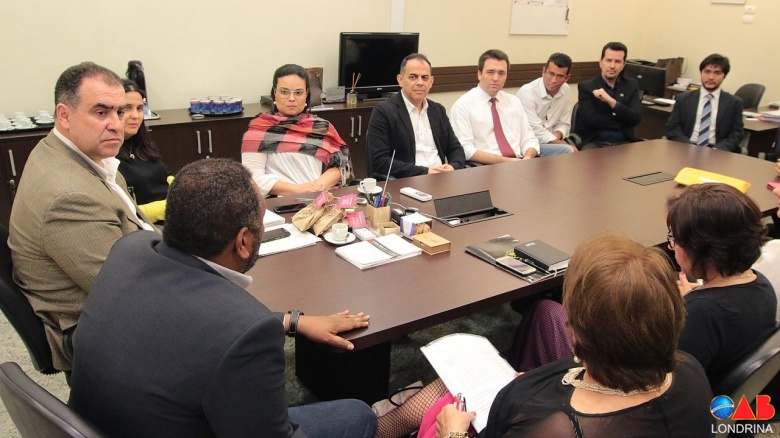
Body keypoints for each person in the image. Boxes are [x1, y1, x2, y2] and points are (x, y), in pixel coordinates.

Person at [68, 159, 377, 438]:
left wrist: (290, 321)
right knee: (358, 414)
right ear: (243, 241)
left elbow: (193, 321)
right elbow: (230, 330)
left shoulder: (129, 249)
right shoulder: (245, 332)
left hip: (100, 423)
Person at [435, 233, 714, 438]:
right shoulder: (690, 369)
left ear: (576, 329)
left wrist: (452, 433)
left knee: (437, 404)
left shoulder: (553, 426)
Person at [8, 62, 155, 371]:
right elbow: (131, 293)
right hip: (98, 329)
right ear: (64, 115)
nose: (116, 124)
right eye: (101, 112)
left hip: (122, 290)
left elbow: (139, 227)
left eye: (120, 111)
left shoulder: (71, 152)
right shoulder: (69, 195)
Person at [668, 183, 776, 382]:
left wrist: (682, 309)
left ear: (699, 249)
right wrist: (696, 296)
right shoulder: (762, 284)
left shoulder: (699, 316)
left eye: (673, 238)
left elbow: (673, 382)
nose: (671, 246)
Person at [242, 64, 352, 197]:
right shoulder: (260, 129)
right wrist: (300, 190)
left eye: (298, 93)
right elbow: (253, 179)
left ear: (306, 94)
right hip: (278, 204)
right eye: (284, 92)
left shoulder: (322, 127)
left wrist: (318, 186)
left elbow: (341, 166)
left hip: (320, 199)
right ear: (275, 93)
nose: (291, 98)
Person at [449, 50, 572, 165]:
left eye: (501, 73)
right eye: (490, 72)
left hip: (519, 163)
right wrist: (507, 162)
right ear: (479, 74)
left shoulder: (514, 102)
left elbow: (529, 139)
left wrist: (528, 158)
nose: (496, 78)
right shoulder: (463, 106)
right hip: (486, 166)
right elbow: (466, 150)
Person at [367, 53, 466, 178]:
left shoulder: (438, 110)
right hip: (407, 180)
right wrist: (425, 172)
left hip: (441, 178)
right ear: (400, 80)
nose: (420, 82)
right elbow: (380, 161)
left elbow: (456, 149)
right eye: (413, 77)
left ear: (431, 82)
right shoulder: (383, 111)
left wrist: (452, 166)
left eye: (425, 78)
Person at [665, 54, 744, 153]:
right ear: (701, 73)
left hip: (717, 152)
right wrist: (688, 146)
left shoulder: (734, 103)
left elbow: (737, 133)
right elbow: (672, 128)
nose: (711, 77)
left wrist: (717, 150)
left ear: (724, 76)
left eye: (717, 73)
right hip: (686, 148)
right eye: (707, 72)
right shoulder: (683, 99)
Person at [118, 79, 170, 223]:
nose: (135, 115)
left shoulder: (140, 144)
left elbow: (165, 174)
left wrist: (182, 187)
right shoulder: (107, 156)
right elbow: (127, 213)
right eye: (127, 108)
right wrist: (172, 206)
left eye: (139, 108)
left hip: (171, 215)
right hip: (144, 225)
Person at [573, 42, 642, 150]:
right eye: (609, 60)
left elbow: (635, 118)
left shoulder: (631, 85)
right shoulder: (587, 87)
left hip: (624, 143)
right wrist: (623, 120)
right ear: (600, 62)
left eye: (617, 61)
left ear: (623, 65)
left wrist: (610, 101)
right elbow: (590, 120)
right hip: (595, 143)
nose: (612, 66)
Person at [517, 52, 577, 149]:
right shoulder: (527, 92)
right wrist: (560, 144)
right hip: (529, 143)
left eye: (560, 76)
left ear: (567, 78)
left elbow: (564, 123)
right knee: (569, 150)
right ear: (544, 71)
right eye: (551, 74)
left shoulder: (565, 89)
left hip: (553, 141)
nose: (554, 80)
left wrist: (556, 137)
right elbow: (534, 130)